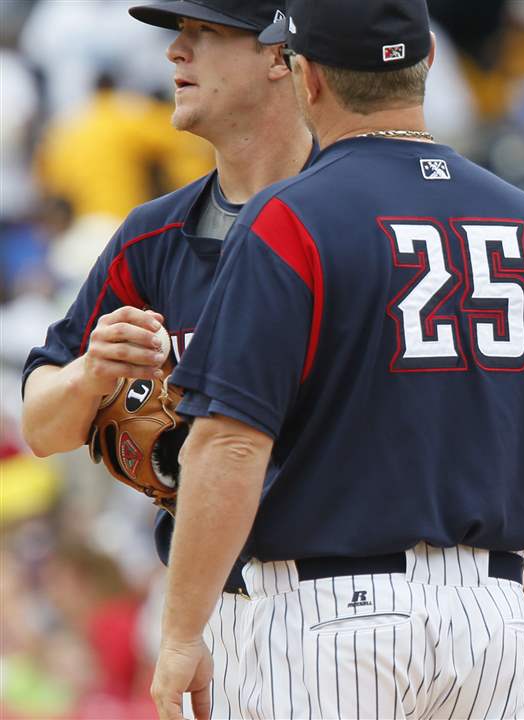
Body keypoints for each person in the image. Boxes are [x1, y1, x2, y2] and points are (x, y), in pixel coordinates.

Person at [150, 1, 524, 719]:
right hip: (490, 621)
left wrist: (183, 631)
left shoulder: (289, 217)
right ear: (428, 60)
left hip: (328, 622)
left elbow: (232, 443)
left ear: (306, 77)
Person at [21, 1, 314, 717]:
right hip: (214, 607)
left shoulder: (351, 218)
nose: (174, 53)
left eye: (204, 34)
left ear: (279, 56)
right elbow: (41, 426)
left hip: (352, 587)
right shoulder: (153, 235)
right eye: (178, 34)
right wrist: (90, 374)